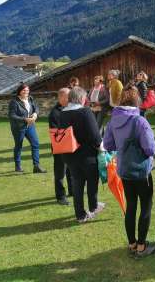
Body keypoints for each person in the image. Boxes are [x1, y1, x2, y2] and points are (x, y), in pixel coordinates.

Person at [103, 84, 155, 258]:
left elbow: (109, 145)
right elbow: (150, 149)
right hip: (141, 171)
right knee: (146, 207)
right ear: (137, 102)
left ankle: (132, 243)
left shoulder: (113, 121)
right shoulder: (140, 121)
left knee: (131, 206)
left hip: (124, 169)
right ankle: (141, 246)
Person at [59, 87, 105, 223]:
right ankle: (93, 207)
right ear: (81, 98)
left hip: (70, 154)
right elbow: (95, 135)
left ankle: (80, 215)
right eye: (85, 97)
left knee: (77, 183)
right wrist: (101, 148)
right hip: (86, 154)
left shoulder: (63, 113)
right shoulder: (85, 111)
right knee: (92, 181)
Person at [8, 83, 46, 173]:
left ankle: (36, 166)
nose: (26, 92)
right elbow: (12, 115)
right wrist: (25, 119)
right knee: (19, 146)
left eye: (27, 90)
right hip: (19, 127)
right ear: (20, 91)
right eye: (24, 90)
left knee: (35, 144)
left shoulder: (30, 98)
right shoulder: (14, 102)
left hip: (30, 126)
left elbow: (36, 107)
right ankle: (18, 166)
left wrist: (35, 114)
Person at [48, 88, 73, 205]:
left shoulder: (69, 109)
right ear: (61, 97)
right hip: (60, 147)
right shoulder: (55, 113)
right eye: (68, 96)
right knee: (60, 172)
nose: (70, 99)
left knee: (71, 169)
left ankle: (72, 190)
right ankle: (60, 196)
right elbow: (56, 133)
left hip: (70, 145)